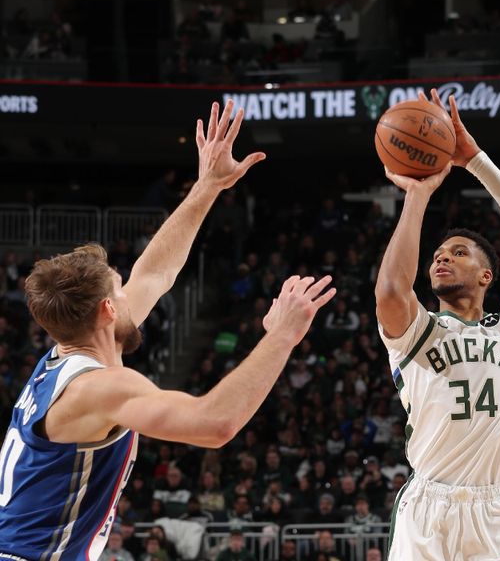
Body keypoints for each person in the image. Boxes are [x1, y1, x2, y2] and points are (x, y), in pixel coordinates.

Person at [0, 101, 336, 558]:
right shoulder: (98, 388)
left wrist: (208, 185)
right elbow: (215, 425)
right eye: (120, 291)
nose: (129, 293)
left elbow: (154, 274)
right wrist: (281, 336)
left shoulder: (63, 360)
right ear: (106, 310)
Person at [375, 89, 500, 560]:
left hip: (498, 509)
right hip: (428, 507)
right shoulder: (418, 331)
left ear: (486, 275)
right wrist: (417, 196)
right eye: (438, 254)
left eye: (458, 253)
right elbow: (392, 292)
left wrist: (475, 160)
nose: (442, 258)